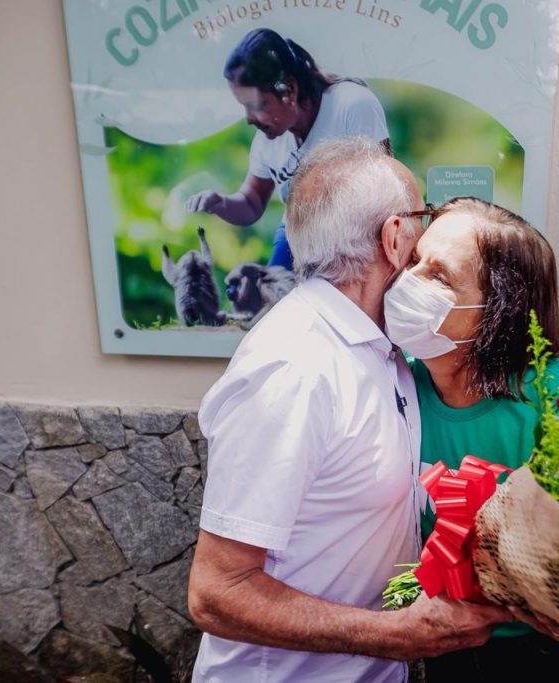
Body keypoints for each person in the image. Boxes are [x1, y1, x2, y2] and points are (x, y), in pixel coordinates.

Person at [187, 138, 508, 682]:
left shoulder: (380, 346)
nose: (428, 234)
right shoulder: (295, 370)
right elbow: (217, 594)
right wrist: (396, 635)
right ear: (395, 236)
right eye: (424, 217)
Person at [383, 197, 559, 681]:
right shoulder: (395, 387)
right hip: (446, 641)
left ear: (497, 311)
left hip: (548, 650)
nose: (408, 282)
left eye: (439, 276)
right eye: (414, 260)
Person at [186, 28, 390, 270]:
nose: (249, 118)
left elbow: (384, 191)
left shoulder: (352, 104)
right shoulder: (268, 140)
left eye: (256, 105)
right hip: (297, 236)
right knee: (271, 290)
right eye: (244, 107)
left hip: (356, 238)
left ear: (289, 90)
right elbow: (251, 202)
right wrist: (220, 203)